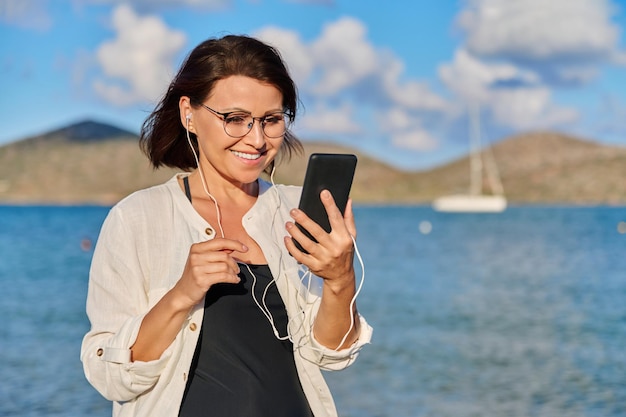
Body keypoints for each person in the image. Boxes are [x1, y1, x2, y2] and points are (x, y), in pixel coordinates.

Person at [81, 34, 372, 417]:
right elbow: (108, 376)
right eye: (234, 119)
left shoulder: (294, 211)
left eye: (271, 120)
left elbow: (333, 355)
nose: (255, 139)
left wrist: (339, 279)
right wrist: (182, 294)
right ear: (189, 113)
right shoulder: (137, 219)